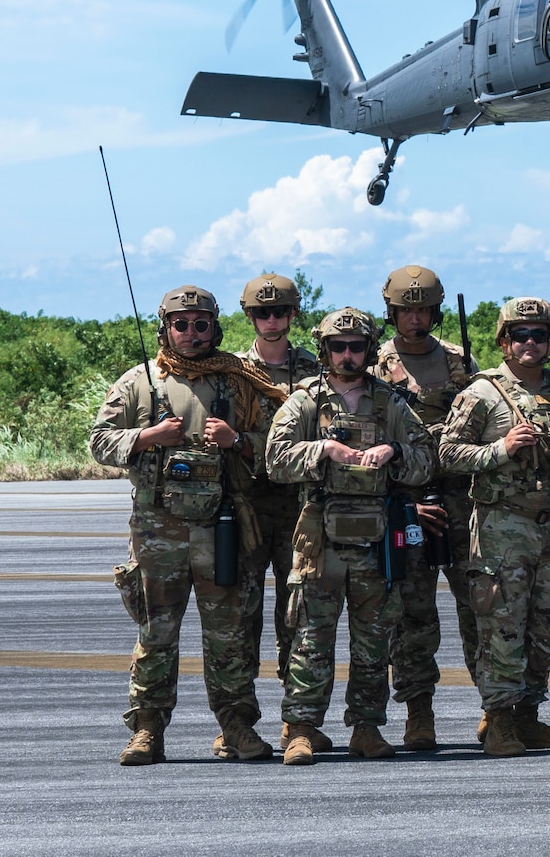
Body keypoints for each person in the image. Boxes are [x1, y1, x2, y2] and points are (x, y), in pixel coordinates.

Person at [90, 285, 287, 765]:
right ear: (165, 328)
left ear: (215, 327)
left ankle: (237, 726)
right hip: (160, 529)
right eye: (182, 324)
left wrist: (237, 439)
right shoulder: (139, 381)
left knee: (230, 634)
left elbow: (277, 447)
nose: (192, 334)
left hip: (222, 526)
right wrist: (147, 436)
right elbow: (99, 442)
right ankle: (147, 729)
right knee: (157, 632)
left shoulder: (240, 379)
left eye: (202, 325)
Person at [265, 307, 434, 764]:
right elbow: (275, 460)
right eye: (338, 347)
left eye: (356, 347)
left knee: (374, 641)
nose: (347, 354)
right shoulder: (304, 401)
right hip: (320, 540)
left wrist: (394, 450)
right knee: (310, 640)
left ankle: (367, 725)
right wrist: (325, 449)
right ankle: (300, 729)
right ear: (325, 350)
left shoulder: (390, 403)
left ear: (368, 350)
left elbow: (426, 459)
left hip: (376, 537)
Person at [439, 297, 550, 757]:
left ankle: (528, 715)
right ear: (504, 341)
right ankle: (500, 720)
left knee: (544, 626)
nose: (529, 343)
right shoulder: (482, 393)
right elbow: (448, 454)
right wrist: (502, 449)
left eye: (539, 334)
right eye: (519, 335)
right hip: (502, 527)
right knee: (502, 626)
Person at [372, 264, 475, 751]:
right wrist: (405, 503)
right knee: (412, 614)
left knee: (480, 607)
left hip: (461, 500)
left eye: (423, 309)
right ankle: (419, 713)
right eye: (405, 309)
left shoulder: (461, 362)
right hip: (404, 502)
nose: (415, 318)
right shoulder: (372, 364)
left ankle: (498, 710)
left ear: (436, 311)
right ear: (391, 311)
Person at [231, 273, 320, 741]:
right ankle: (238, 723)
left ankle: (295, 720)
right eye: (262, 312)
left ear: (292, 314)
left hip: (298, 507)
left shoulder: (316, 370)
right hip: (244, 506)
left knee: (298, 617)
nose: (271, 320)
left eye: (280, 311)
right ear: (249, 316)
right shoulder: (229, 371)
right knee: (239, 618)